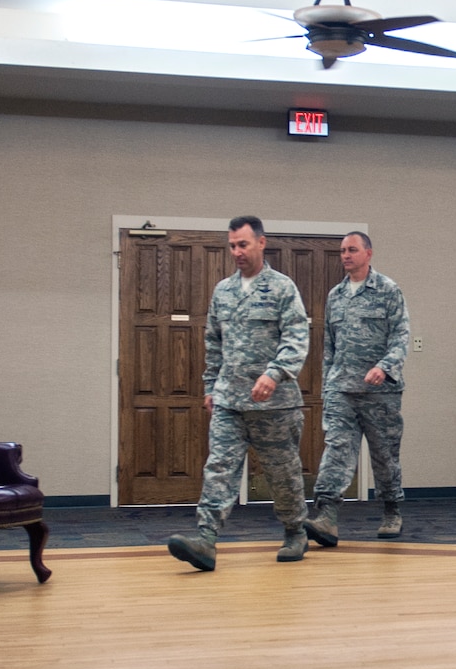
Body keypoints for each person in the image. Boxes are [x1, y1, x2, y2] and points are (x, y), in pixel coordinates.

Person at [166, 216, 311, 571]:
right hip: (230, 401)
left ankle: (295, 531)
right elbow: (213, 342)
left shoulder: (282, 288)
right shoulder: (223, 291)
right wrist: (209, 386)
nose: (237, 252)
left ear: (262, 243)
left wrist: (274, 374)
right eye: (232, 245)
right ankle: (206, 539)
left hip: (275, 404)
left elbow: (297, 338)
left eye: (243, 244)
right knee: (219, 467)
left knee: (283, 473)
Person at [307, 231, 412, 542]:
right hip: (342, 390)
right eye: (342, 251)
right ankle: (326, 516)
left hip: (381, 394)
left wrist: (384, 366)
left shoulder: (388, 291)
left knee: (384, 455)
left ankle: (392, 511)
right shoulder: (335, 296)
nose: (345, 255)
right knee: (337, 450)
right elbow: (330, 347)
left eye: (352, 250)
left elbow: (401, 336)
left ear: (368, 253)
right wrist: (328, 387)